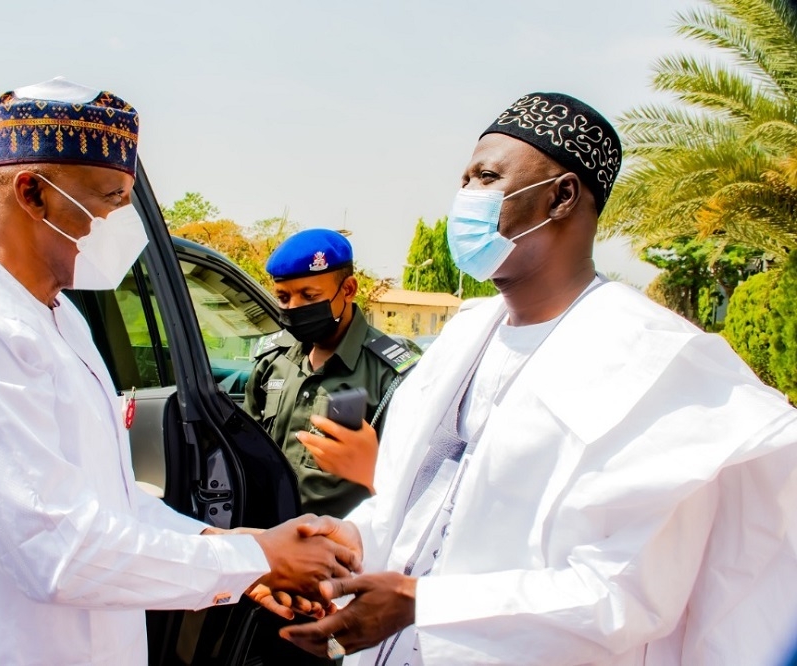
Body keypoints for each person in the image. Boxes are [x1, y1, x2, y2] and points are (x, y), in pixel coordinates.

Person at [0, 77, 360, 664]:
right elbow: (56, 546)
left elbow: (103, 503)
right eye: (111, 198)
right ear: (33, 193)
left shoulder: (60, 319)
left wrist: (234, 546)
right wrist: (259, 559)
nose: (122, 222)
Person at [280, 92, 797, 665]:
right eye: (464, 180)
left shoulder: (658, 365)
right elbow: (419, 503)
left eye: (486, 177)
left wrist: (425, 604)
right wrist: (345, 543)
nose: (465, 199)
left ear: (561, 196)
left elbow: (624, 596)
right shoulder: (464, 337)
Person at [243, 229, 419, 517]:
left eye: (309, 296)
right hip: (266, 541)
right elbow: (246, 450)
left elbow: (414, 480)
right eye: (284, 297)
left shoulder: (391, 374)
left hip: (340, 549)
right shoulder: (273, 360)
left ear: (348, 290)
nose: (294, 308)